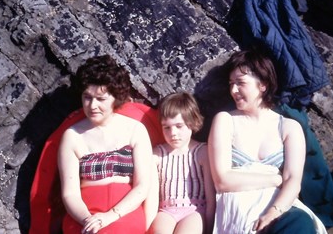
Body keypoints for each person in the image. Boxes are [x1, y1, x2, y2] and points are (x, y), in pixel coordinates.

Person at [208, 49, 327, 234]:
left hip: (278, 206)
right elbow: (222, 181)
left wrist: (273, 212)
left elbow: (294, 181)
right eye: (231, 83)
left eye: (240, 83)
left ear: (263, 85)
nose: (233, 90)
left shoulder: (289, 127)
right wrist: (276, 179)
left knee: (301, 223)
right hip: (240, 208)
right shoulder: (225, 121)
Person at [57, 55, 157, 234]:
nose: (92, 105)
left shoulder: (135, 129)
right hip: (83, 216)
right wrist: (88, 220)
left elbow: (143, 186)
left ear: (116, 98)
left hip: (124, 213)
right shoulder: (72, 136)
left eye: (101, 99)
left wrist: (110, 216)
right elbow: (69, 193)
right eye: (87, 97)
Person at [147, 92, 216, 234]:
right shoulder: (157, 154)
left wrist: (209, 229)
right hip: (166, 210)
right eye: (166, 127)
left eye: (179, 126)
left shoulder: (202, 152)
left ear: (192, 123)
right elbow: (152, 198)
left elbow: (211, 198)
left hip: (195, 210)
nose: (173, 133)